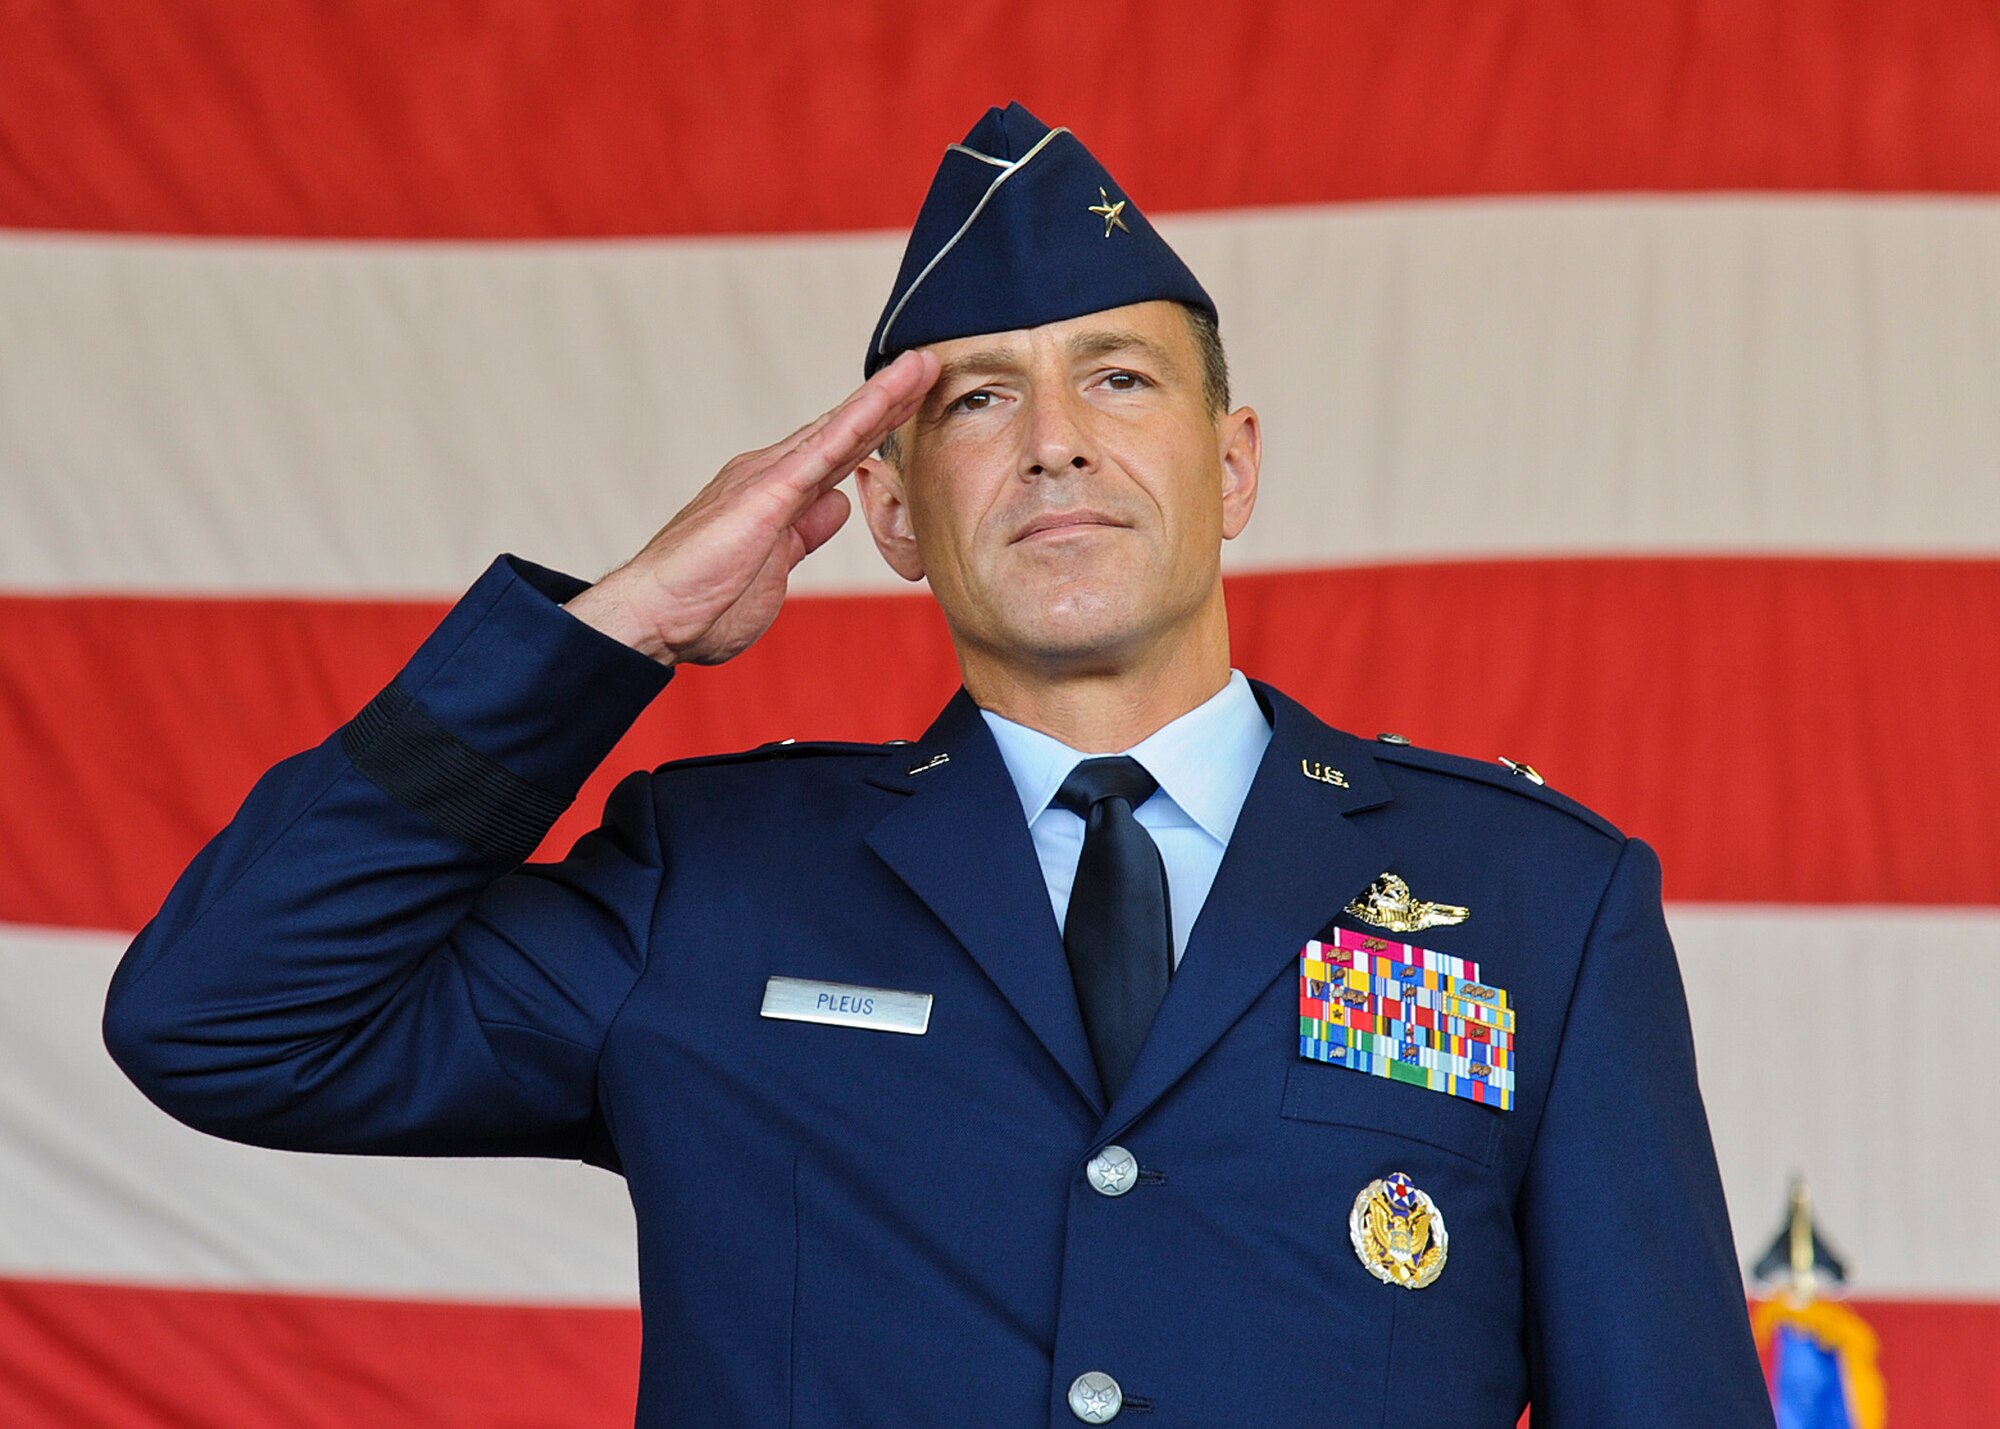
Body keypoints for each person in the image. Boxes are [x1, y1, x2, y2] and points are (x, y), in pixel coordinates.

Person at [104, 103, 1774, 1426]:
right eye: (980, 401)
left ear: (1234, 462)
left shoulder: (1538, 908)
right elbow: (223, 1016)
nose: (1057, 437)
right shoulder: (716, 884)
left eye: (1120, 378)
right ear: (892, 512)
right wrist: (616, 628)